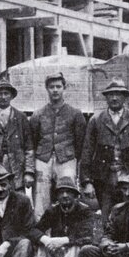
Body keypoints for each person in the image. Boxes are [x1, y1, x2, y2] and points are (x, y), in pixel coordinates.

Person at [79, 79, 129, 217]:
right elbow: (87, 151)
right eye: (110, 95)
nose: (114, 98)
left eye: (118, 94)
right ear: (106, 97)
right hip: (104, 178)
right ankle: (108, 238)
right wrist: (87, 181)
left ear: (125, 97)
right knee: (108, 215)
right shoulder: (96, 120)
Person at [30, 72, 87, 220]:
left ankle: (70, 229)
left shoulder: (75, 114)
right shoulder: (38, 114)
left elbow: (80, 142)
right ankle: (42, 234)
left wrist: (73, 158)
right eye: (51, 87)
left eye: (58, 86)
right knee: (41, 198)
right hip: (43, 159)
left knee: (68, 194)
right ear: (46, 89)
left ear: (64, 88)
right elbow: (33, 140)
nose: (55, 90)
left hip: (67, 160)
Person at [34, 176, 95, 257]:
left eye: (68, 192)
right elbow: (34, 230)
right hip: (57, 254)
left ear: (75, 195)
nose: (65, 195)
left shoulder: (85, 211)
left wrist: (64, 240)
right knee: (42, 245)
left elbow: (88, 236)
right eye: (61, 192)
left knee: (77, 247)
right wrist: (46, 240)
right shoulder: (52, 211)